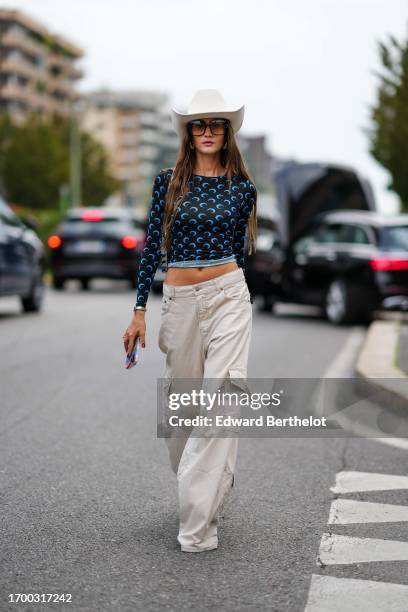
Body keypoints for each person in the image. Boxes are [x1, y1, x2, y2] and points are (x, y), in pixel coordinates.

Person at [123, 89, 257, 552]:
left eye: (216, 124)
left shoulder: (242, 188)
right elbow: (150, 250)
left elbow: (240, 253)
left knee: (222, 394)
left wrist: (237, 297)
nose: (207, 132)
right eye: (198, 125)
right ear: (187, 131)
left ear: (227, 132)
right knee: (181, 410)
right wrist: (140, 310)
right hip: (179, 299)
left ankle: (198, 527)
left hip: (228, 295)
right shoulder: (168, 182)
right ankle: (210, 479)